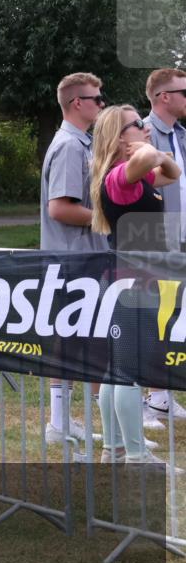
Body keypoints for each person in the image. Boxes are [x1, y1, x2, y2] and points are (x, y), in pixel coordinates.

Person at [88, 104, 182, 467]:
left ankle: (114, 449)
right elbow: (156, 160)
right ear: (119, 136)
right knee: (128, 372)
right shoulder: (119, 178)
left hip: (135, 282)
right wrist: (152, 153)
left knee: (117, 370)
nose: (147, 128)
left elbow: (171, 173)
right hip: (130, 285)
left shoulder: (135, 176)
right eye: (138, 124)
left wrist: (153, 153)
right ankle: (137, 455)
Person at [39, 72, 113, 444]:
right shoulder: (69, 146)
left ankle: (69, 422)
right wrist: (105, 218)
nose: (102, 104)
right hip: (73, 258)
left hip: (83, 257)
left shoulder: (80, 143)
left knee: (83, 339)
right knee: (70, 339)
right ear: (77, 104)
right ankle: (59, 422)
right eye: (97, 99)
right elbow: (60, 209)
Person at [142, 68, 186, 422]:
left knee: (174, 316)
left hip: (181, 238)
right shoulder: (141, 134)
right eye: (183, 91)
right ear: (163, 97)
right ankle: (150, 395)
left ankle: (162, 394)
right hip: (154, 239)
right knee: (152, 315)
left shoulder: (180, 134)